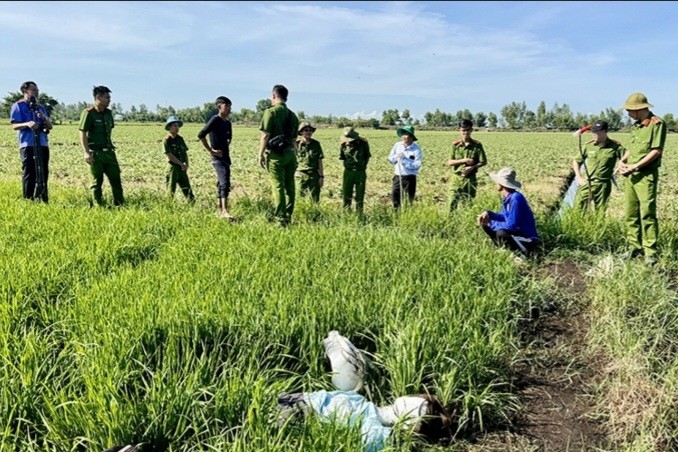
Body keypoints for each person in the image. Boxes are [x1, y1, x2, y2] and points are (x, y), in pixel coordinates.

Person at [277, 391, 452, 452]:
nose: (410, 401)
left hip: (295, 415)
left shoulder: (377, 434)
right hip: (290, 400)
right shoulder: (363, 401)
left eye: (418, 407)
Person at [617, 92, 666, 265]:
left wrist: (635, 167)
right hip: (631, 176)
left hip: (645, 176)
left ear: (640, 109)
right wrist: (623, 161)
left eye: (630, 110)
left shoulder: (657, 124)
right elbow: (633, 148)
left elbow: (656, 151)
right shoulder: (636, 127)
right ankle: (634, 246)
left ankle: (650, 251)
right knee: (631, 213)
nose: (628, 113)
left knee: (647, 214)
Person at [258, 85, 300, 226]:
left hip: (276, 156)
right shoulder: (293, 115)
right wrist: (295, 154)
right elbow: (294, 140)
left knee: (278, 187)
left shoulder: (270, 112)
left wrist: (260, 154)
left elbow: (265, 135)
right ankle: (288, 216)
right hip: (290, 154)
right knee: (290, 186)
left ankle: (280, 219)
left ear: (274, 96)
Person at [477, 167, 540, 257]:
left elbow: (511, 225)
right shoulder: (508, 198)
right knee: (486, 223)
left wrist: (492, 225)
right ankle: (503, 248)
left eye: (497, 181)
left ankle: (523, 254)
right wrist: (489, 215)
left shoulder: (516, 198)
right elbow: (504, 217)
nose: (495, 183)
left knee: (501, 233)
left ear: (502, 184)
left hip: (528, 238)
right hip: (518, 234)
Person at [79, 85, 124, 206]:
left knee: (116, 181)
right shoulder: (89, 113)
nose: (109, 100)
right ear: (98, 97)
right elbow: (82, 132)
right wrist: (86, 152)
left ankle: (120, 205)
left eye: (109, 98)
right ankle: (98, 206)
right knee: (96, 182)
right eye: (106, 97)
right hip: (96, 153)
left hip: (109, 152)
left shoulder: (109, 113)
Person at [10, 81, 53, 203]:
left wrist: (43, 118)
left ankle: (42, 197)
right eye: (34, 90)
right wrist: (27, 124)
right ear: (25, 91)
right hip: (27, 144)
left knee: (43, 171)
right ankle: (28, 198)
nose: (37, 92)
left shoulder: (40, 108)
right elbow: (14, 125)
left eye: (37, 90)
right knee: (30, 172)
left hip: (42, 143)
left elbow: (49, 127)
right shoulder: (18, 106)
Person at [572, 120, 625, 212]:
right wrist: (578, 176)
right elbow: (576, 161)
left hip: (603, 185)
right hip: (587, 183)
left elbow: (628, 156)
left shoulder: (615, 146)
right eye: (593, 132)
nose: (593, 134)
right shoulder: (588, 146)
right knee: (578, 209)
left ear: (604, 132)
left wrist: (619, 168)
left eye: (596, 132)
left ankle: (597, 226)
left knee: (600, 212)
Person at [198, 96, 235, 219]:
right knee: (224, 183)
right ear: (219, 107)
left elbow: (229, 138)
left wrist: (225, 145)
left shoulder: (228, 123)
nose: (229, 109)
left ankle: (220, 209)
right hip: (217, 159)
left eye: (230, 106)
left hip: (226, 157)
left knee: (222, 183)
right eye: (227, 106)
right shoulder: (215, 120)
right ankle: (224, 211)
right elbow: (201, 135)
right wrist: (211, 150)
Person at [447, 119, 487, 211]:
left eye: (468, 130)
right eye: (463, 130)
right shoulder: (455, 145)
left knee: (468, 206)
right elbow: (449, 162)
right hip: (456, 178)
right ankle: (450, 223)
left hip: (470, 179)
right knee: (451, 204)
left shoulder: (477, 145)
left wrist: (472, 167)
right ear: (459, 130)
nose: (465, 132)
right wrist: (464, 160)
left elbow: (483, 161)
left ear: (471, 130)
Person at [387, 125, 423, 209]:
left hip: (410, 178)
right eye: (403, 134)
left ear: (411, 137)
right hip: (398, 177)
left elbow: (417, 165)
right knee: (395, 198)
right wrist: (396, 157)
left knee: (408, 200)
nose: (404, 136)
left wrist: (404, 161)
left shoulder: (417, 149)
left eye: (406, 134)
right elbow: (390, 159)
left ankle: (406, 216)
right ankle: (396, 216)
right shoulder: (397, 145)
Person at [339, 127, 371, 214]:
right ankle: (346, 212)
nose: (349, 141)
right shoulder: (343, 145)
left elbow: (367, 157)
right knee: (346, 193)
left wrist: (361, 166)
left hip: (360, 172)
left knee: (360, 194)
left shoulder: (363, 143)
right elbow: (343, 157)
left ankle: (359, 213)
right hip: (348, 172)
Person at [163, 116, 195, 202]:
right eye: (174, 125)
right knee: (171, 190)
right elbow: (170, 156)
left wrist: (187, 164)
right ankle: (169, 207)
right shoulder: (167, 140)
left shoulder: (180, 139)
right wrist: (181, 164)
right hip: (173, 168)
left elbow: (185, 152)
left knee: (187, 189)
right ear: (169, 127)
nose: (177, 128)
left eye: (178, 125)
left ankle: (192, 205)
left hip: (182, 168)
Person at [295, 121, 324, 203]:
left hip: (314, 175)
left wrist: (321, 177)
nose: (309, 132)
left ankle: (314, 214)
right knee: (299, 198)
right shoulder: (296, 145)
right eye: (306, 130)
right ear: (301, 132)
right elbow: (292, 160)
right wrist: (295, 172)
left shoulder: (316, 144)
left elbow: (320, 161)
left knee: (315, 199)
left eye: (310, 130)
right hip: (300, 175)